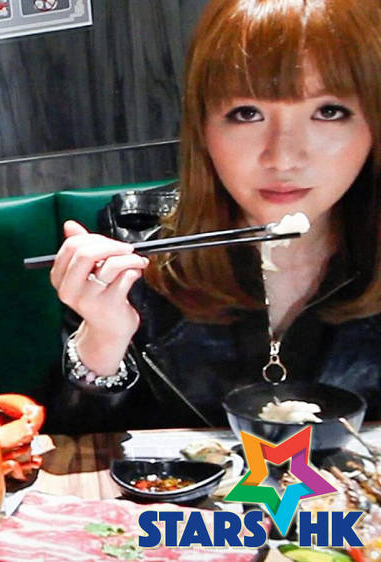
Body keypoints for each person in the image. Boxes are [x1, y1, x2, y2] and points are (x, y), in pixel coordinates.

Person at [52, 0, 381, 430]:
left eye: (328, 111)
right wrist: (103, 341)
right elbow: (76, 447)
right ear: (203, 128)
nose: (283, 157)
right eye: (247, 113)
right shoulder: (136, 242)